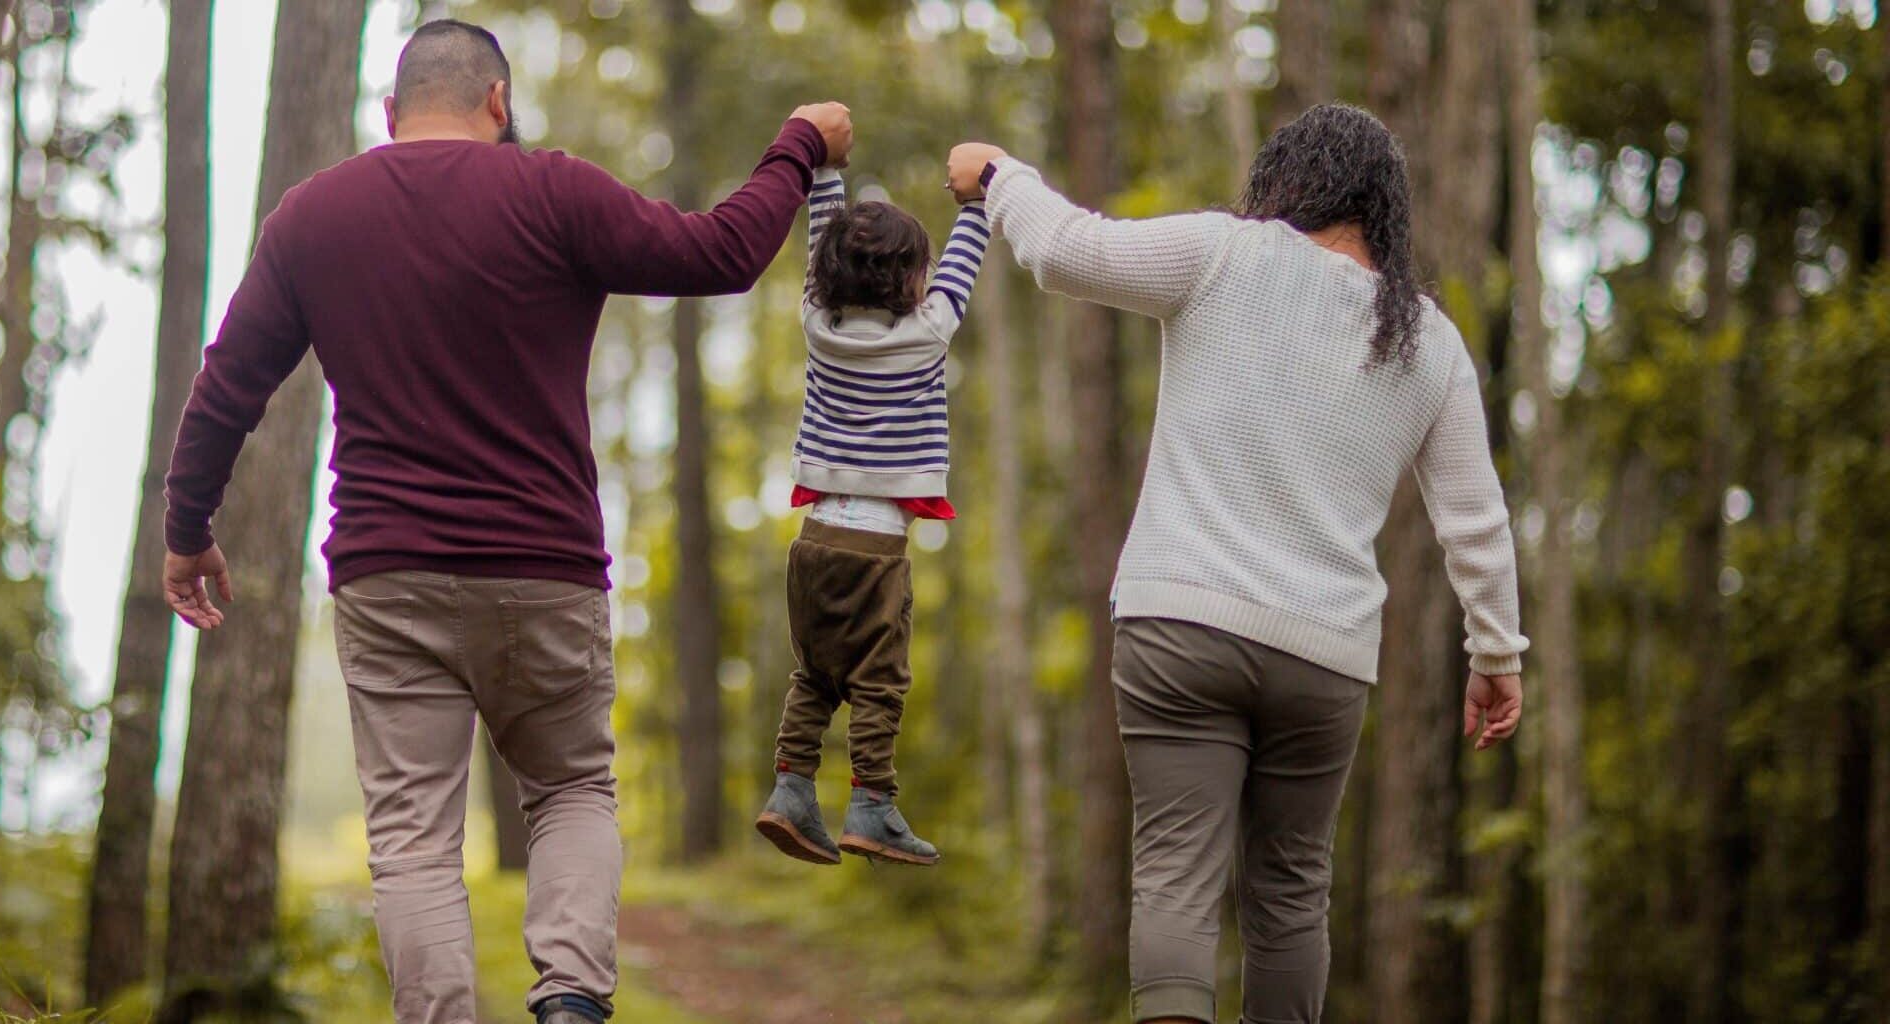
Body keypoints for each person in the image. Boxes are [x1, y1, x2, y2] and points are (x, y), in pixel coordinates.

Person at [158, 19, 852, 1024]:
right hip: (545, 569)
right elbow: (722, 253)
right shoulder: (553, 190)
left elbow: (227, 386)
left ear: (387, 115)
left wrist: (188, 528)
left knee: (412, 838)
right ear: (499, 103)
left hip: (387, 574)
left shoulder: (312, 216)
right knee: (570, 786)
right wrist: (795, 142)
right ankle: (569, 999)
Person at [943, 103, 1528, 1024]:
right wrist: (1496, 656)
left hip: (1179, 625)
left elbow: (1067, 252)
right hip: (1324, 656)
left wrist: (999, 173)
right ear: (1384, 212)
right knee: (1292, 895)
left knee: (1177, 872)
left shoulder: (1224, 254)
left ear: (1287, 180)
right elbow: (1477, 521)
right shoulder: (1428, 341)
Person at [753, 161, 991, 868]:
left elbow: (817, 239)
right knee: (878, 682)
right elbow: (965, 259)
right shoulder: (928, 332)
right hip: (877, 549)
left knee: (815, 676)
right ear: (911, 281)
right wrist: (977, 199)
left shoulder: (816, 326)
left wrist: (826, 170)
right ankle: (872, 805)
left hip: (815, 541)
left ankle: (791, 788)